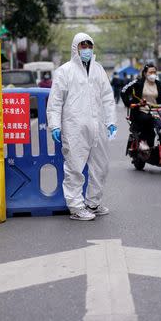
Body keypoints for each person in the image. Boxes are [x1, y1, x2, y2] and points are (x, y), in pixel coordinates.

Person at [47, 33, 117, 221]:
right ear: (75, 48)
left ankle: (92, 202)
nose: (86, 49)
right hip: (74, 127)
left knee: (101, 167)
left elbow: (107, 97)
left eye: (89, 46)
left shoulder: (99, 69)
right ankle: (76, 207)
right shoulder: (65, 71)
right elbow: (55, 101)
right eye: (82, 46)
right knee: (75, 168)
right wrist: (54, 125)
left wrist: (110, 121)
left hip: (97, 126)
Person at [121, 63, 161, 152]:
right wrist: (129, 104)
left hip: (157, 111)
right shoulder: (137, 83)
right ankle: (142, 141)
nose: (153, 74)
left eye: (154, 72)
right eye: (150, 72)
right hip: (141, 111)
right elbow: (123, 91)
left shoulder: (160, 85)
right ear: (145, 73)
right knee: (147, 120)